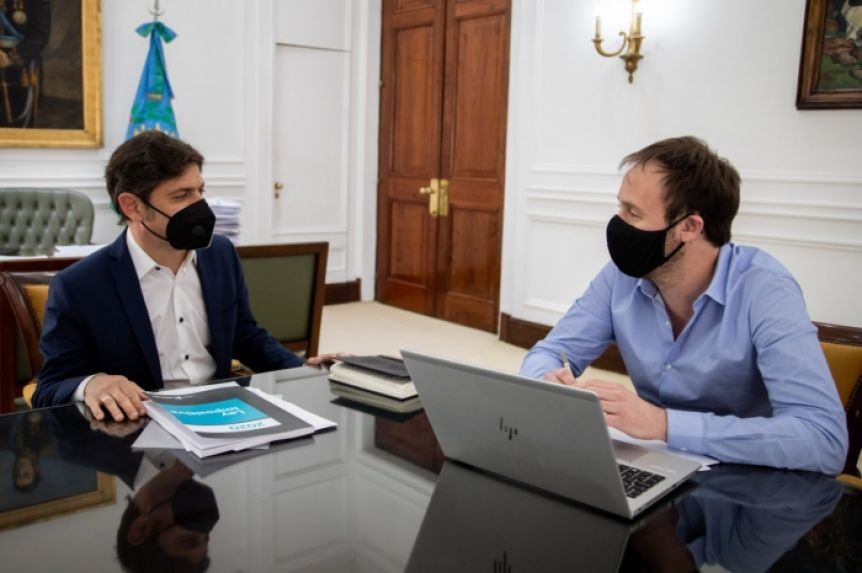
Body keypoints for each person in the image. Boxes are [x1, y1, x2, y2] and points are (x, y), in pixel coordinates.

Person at [520, 136, 848, 474]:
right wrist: (548, 384)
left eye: (633, 212)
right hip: (654, 464)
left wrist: (663, 424)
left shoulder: (766, 289)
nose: (617, 223)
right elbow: (550, 352)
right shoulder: (622, 276)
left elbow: (823, 440)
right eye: (620, 206)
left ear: (689, 227)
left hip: (745, 481)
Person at [32, 131, 341, 421]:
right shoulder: (79, 285)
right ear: (132, 206)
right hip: (140, 426)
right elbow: (49, 388)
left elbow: (245, 335)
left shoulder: (220, 254)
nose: (200, 206)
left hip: (221, 412)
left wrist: (303, 368)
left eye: (200, 191)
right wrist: (91, 383)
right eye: (181, 195)